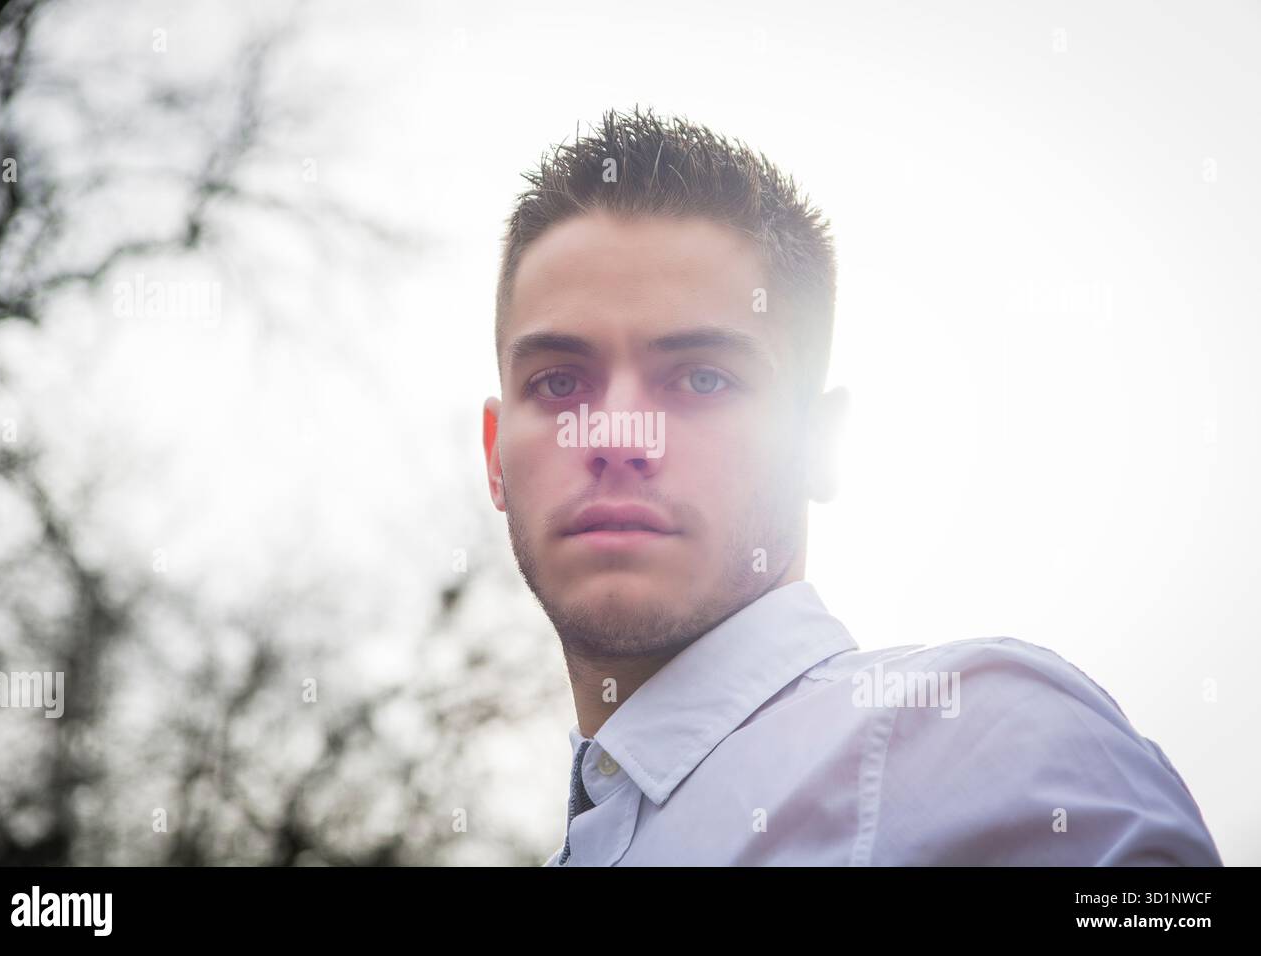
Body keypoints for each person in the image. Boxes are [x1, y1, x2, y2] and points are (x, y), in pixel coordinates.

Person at [480, 106, 1222, 866]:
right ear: (496, 452)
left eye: (702, 378)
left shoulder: (977, 742)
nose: (618, 437)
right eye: (560, 380)